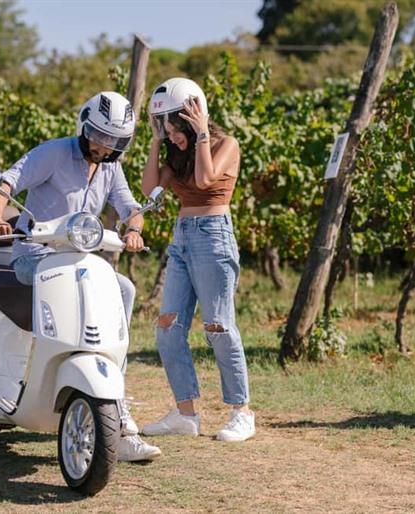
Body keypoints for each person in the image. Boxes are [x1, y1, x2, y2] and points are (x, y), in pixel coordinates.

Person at [0, 91, 162, 461]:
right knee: (57, 292)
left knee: (124, 288)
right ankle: (37, 377)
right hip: (35, 255)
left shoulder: (112, 167)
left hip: (78, 258)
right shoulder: (53, 153)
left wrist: (133, 227)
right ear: (84, 125)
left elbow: (130, 206)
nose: (104, 146)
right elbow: (7, 182)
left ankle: (118, 411)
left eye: (115, 141)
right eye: (99, 136)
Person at [140, 78, 255, 442]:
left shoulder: (227, 144)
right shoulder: (176, 152)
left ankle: (242, 412)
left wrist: (202, 133)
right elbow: (150, 188)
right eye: (166, 128)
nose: (173, 136)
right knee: (167, 327)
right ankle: (185, 414)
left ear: (194, 118)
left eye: (175, 128)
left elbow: (205, 180)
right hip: (183, 237)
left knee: (218, 326)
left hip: (213, 236)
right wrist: (158, 140)